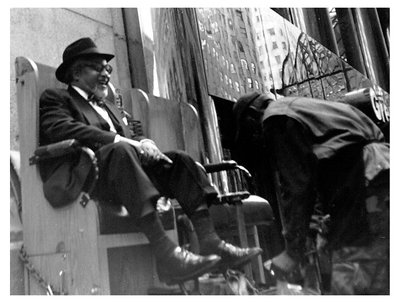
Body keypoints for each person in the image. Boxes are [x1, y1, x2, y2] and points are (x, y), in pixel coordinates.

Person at [39, 37, 262, 286]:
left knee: (180, 160)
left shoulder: (112, 106)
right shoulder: (57, 98)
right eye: (97, 68)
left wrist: (147, 143)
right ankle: (167, 254)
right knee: (121, 150)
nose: (105, 74)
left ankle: (211, 240)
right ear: (76, 73)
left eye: (108, 68)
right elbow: (59, 128)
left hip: (127, 174)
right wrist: (118, 140)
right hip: (90, 177)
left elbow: (134, 130)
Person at [232, 92, 389, 294]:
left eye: (251, 131)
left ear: (253, 115)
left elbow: (297, 187)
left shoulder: (276, 119)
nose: (257, 137)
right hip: (381, 171)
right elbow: (313, 181)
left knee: (352, 272)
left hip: (365, 181)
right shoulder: (310, 107)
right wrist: (313, 228)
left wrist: (292, 251)